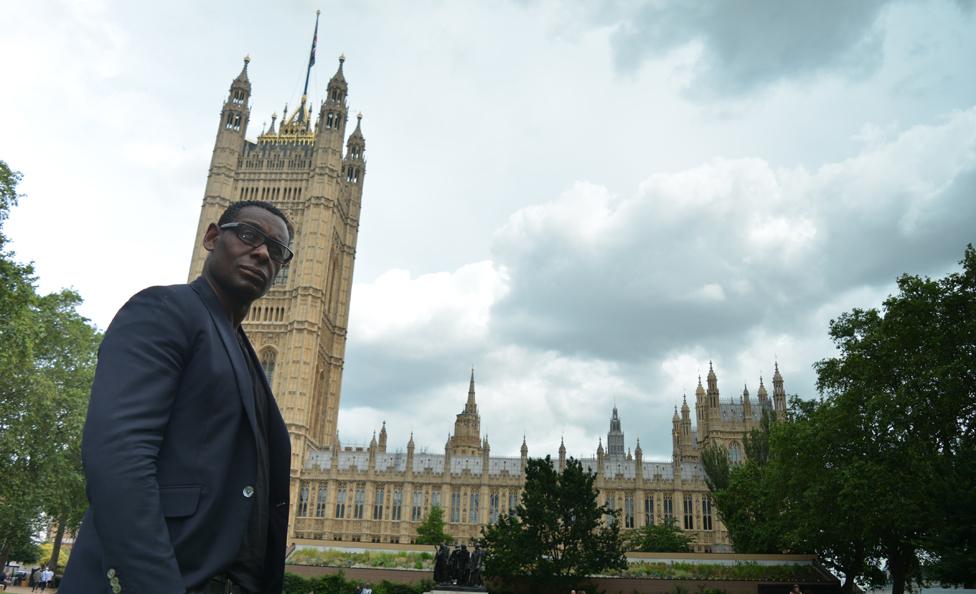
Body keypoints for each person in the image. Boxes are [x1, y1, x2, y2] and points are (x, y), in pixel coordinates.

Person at [59, 201, 295, 594]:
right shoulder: (165, 309)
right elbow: (120, 457)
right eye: (250, 236)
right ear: (212, 237)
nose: (262, 254)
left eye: (276, 251)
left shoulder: (244, 352)